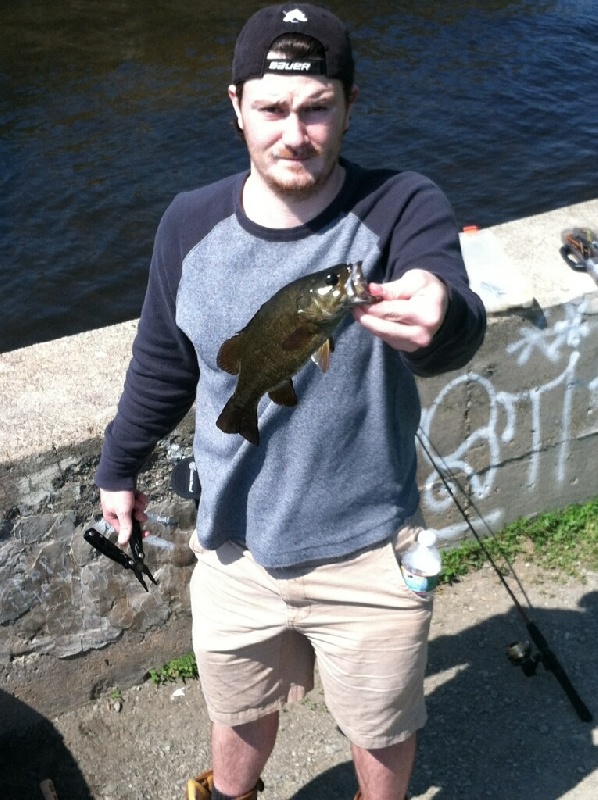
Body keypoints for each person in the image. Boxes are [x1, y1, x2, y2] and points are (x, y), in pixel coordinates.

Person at [95, 4, 486, 800]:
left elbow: (451, 311)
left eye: (316, 108)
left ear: (348, 104)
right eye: (272, 109)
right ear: (236, 105)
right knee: (238, 711)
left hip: (371, 547)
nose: (294, 132)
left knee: (382, 725)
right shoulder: (187, 224)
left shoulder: (401, 205)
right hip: (237, 543)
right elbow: (163, 367)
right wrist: (117, 466)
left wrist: (437, 316)